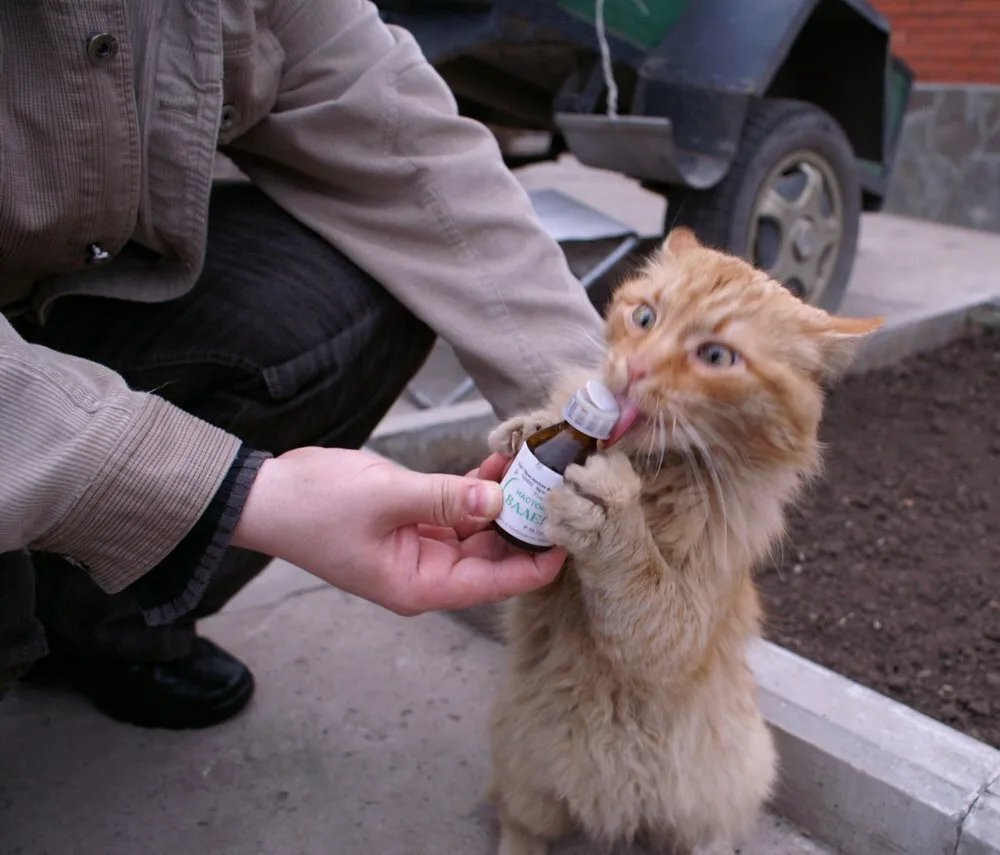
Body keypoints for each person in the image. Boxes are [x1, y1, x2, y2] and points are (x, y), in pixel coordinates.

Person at [0, 0, 604, 729]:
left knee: (368, 284)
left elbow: (398, 138)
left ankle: (95, 617)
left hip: (55, 296)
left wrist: (592, 407)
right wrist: (234, 493)